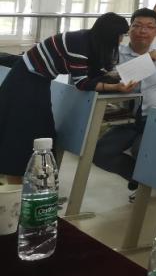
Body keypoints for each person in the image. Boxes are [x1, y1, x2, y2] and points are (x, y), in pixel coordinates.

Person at [0, 13, 137, 183]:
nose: (121, 39)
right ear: (109, 34)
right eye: (120, 35)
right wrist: (115, 87)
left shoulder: (90, 41)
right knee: (24, 133)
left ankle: (35, 183)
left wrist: (114, 78)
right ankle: (18, 183)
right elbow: (82, 83)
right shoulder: (79, 44)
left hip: (38, 80)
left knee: (43, 132)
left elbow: (93, 73)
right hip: (24, 82)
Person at [94, 9, 156, 188]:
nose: (143, 31)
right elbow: (111, 78)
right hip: (129, 119)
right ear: (129, 29)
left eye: (149, 27)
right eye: (138, 26)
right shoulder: (116, 54)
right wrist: (147, 59)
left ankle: (152, 184)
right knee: (100, 153)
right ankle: (140, 180)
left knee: (141, 150)